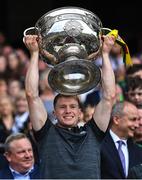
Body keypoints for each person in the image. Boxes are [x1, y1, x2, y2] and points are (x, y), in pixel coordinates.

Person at [23, 32, 116, 179]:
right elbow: (31, 95)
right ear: (53, 112)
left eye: (73, 107)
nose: (68, 111)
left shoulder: (94, 132)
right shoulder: (46, 133)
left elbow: (109, 96)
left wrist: (105, 53)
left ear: (80, 112)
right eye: (62, 107)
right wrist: (34, 54)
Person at [101, 101, 142, 179]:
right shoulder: (97, 144)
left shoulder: (139, 151)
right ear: (116, 119)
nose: (137, 125)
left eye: (138, 120)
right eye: (133, 119)